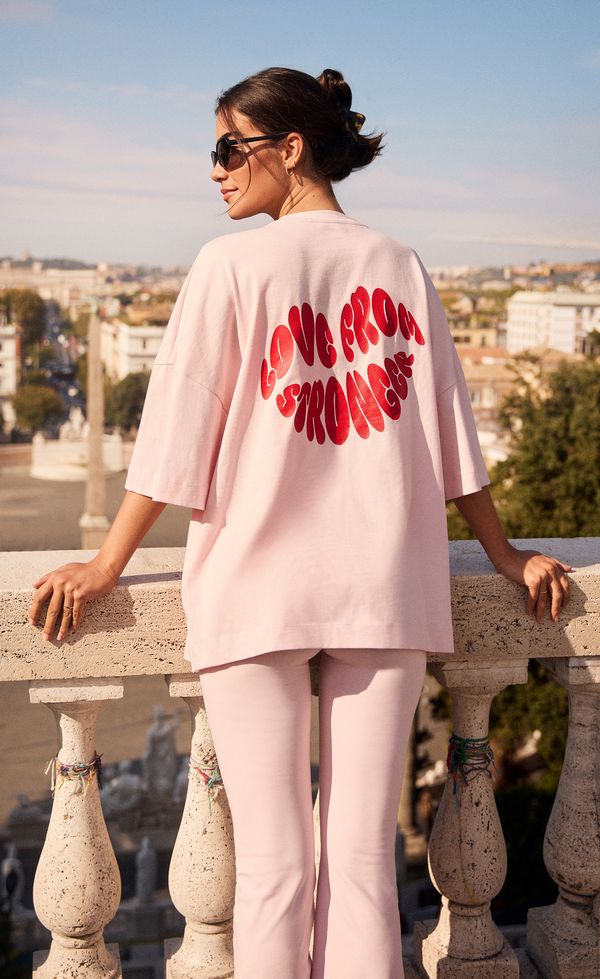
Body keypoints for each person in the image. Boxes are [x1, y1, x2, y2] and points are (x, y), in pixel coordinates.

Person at [28, 66, 571, 979]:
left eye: (227, 150)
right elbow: (450, 435)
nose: (214, 171)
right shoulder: (399, 262)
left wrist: (108, 563)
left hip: (255, 582)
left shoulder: (226, 266)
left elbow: (173, 439)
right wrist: (503, 553)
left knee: (274, 871)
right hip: (384, 586)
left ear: (290, 150)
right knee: (361, 866)